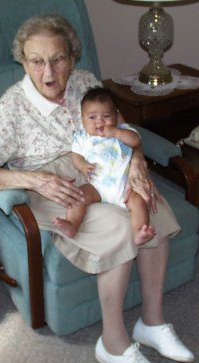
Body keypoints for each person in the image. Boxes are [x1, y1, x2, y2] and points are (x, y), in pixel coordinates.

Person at [0, 13, 194, 363]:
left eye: (58, 59)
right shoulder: (12, 108)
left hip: (106, 173)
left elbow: (121, 126)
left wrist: (136, 160)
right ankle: (114, 344)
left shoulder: (85, 81)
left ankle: (151, 322)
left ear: (73, 57)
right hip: (59, 188)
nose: (49, 72)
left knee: (151, 208)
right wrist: (32, 178)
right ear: (23, 61)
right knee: (120, 228)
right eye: (36, 61)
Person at [54, 87, 156, 245]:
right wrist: (82, 166)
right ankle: (72, 223)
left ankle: (139, 232)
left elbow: (135, 141)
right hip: (97, 186)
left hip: (125, 187)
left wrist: (116, 132)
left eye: (106, 116)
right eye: (92, 117)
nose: (100, 122)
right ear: (83, 119)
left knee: (139, 202)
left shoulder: (122, 131)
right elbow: (76, 156)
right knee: (79, 195)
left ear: (116, 115)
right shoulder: (82, 137)